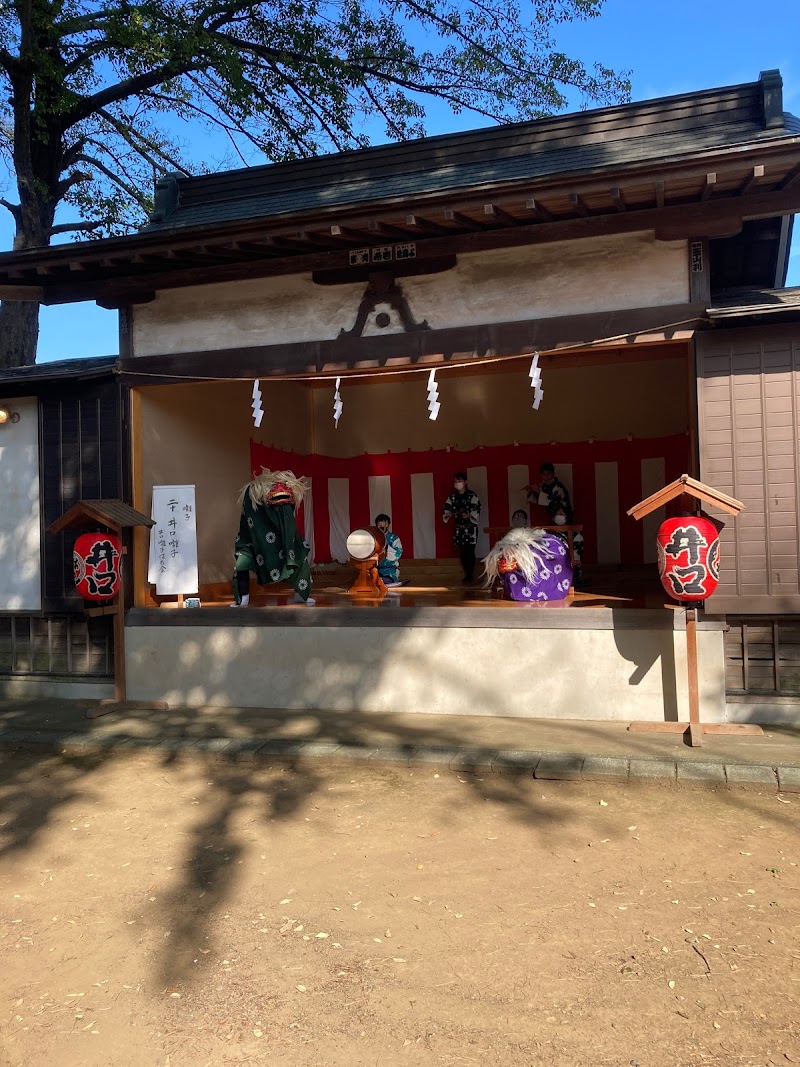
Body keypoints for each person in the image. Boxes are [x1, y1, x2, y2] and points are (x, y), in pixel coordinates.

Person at [231, 469, 315, 606]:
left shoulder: (283, 499)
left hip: (282, 534)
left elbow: (287, 516)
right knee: (242, 562)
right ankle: (242, 597)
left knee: (299, 553)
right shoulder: (252, 497)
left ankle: (302, 593)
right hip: (254, 537)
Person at [442, 471, 482, 584]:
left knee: (470, 551)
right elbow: (447, 508)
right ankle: (466, 574)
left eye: (459, 481)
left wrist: (469, 515)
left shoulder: (472, 496)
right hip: (459, 528)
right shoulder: (453, 497)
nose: (457, 483)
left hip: (470, 528)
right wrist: (448, 514)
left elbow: (477, 509)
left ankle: (470, 574)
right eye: (456, 481)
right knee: (462, 551)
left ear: (465, 482)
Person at [375, 513, 405, 587]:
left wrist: (386, 547)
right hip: (375, 570)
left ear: (388, 525)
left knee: (385, 581)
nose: (382, 526)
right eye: (379, 524)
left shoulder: (394, 538)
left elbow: (397, 554)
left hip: (389, 570)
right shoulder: (373, 538)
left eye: (384, 524)